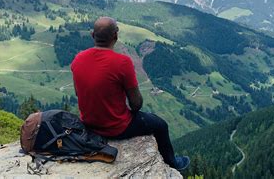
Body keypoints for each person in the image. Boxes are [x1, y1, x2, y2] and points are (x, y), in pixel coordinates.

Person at [70, 16, 190, 171]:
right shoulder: (122, 62)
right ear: (116, 36)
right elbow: (136, 104)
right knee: (160, 125)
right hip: (116, 128)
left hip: (89, 124)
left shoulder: (78, 58)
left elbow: (78, 93)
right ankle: (173, 163)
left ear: (92, 35)